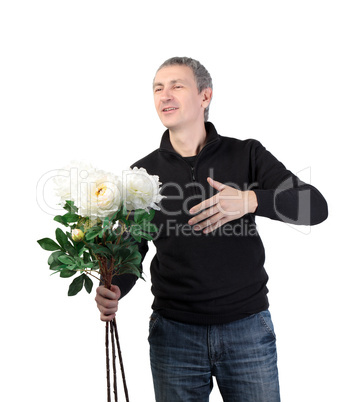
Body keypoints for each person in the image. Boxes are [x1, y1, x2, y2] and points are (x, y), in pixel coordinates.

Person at [95, 57, 328, 401]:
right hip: (174, 336)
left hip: (248, 330)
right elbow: (133, 250)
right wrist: (115, 287)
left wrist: (250, 201)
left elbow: (315, 207)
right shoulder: (141, 174)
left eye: (177, 85)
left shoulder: (247, 153)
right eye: (158, 88)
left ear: (205, 96)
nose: (165, 95)